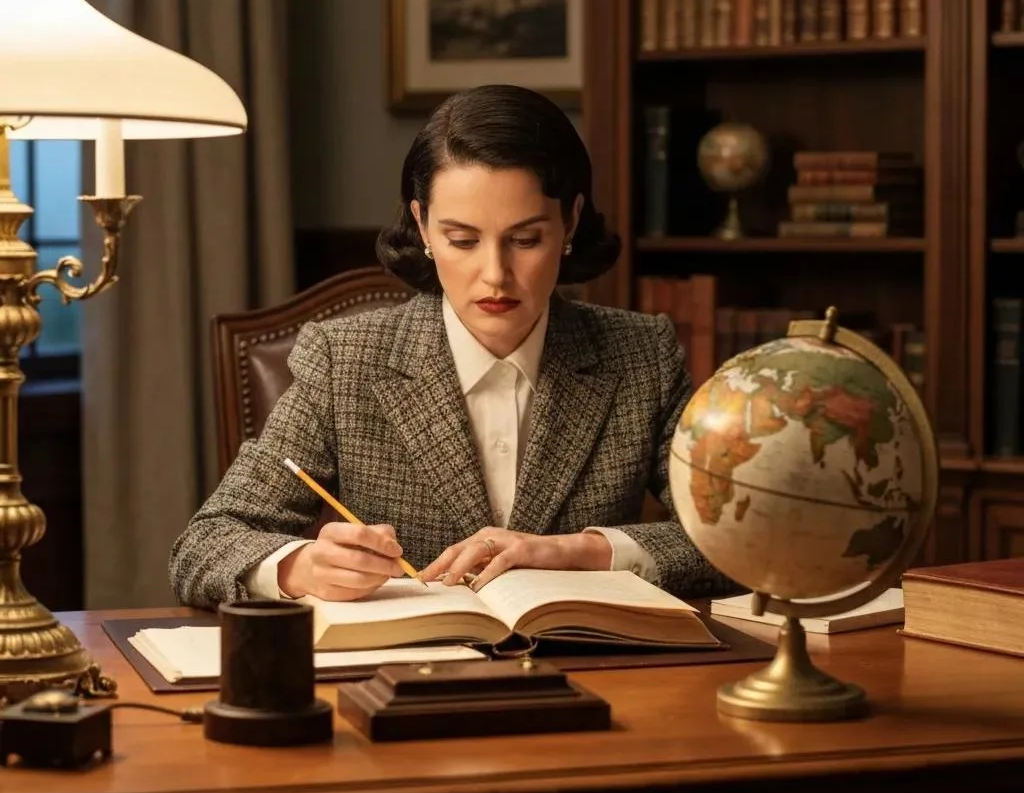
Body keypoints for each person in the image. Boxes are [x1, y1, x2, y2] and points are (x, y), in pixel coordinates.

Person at [169, 84, 733, 609]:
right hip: (402, 683)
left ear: (571, 223)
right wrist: (301, 568)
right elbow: (204, 544)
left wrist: (578, 552)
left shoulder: (641, 356)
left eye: (526, 239)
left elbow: (742, 538)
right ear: (423, 227)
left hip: (599, 677)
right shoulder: (345, 360)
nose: (495, 275)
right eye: (462, 240)